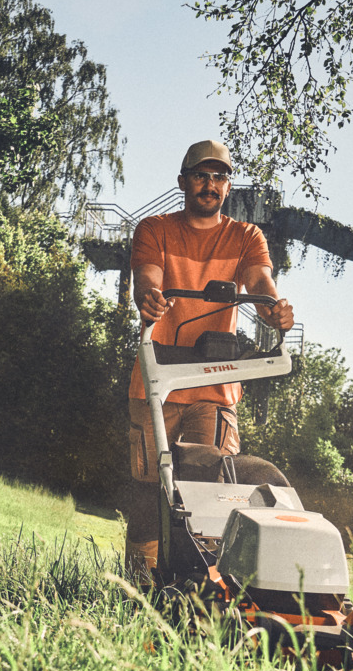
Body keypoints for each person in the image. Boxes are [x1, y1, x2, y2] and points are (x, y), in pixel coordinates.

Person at [124, 138, 294, 572]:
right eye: (201, 175)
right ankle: (139, 584)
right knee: (149, 488)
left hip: (214, 384)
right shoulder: (154, 229)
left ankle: (205, 586)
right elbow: (147, 278)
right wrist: (150, 298)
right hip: (157, 379)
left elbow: (259, 281)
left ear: (228, 187)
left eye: (219, 177)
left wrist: (272, 309)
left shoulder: (245, 236)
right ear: (183, 181)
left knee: (213, 488)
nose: (210, 184)